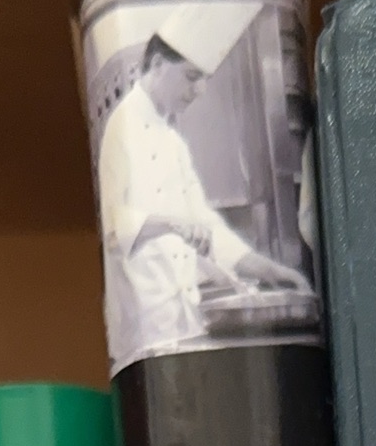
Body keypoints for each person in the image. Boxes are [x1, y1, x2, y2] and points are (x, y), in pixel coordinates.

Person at [97, 32, 308, 359]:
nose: (199, 90)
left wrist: (271, 272)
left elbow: (209, 229)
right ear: (158, 64)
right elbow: (114, 228)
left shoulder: (173, 142)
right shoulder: (120, 127)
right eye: (191, 76)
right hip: (143, 335)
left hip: (185, 324)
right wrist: (171, 224)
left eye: (203, 79)